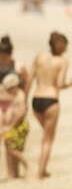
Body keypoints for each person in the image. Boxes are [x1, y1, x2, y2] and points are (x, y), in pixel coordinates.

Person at [0, 35, 29, 182]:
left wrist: (23, 103)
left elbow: (26, 84)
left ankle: (10, 172)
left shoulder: (19, 66)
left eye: (5, 57)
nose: (2, 59)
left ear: (10, 54)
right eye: (0, 56)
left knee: (9, 136)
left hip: (11, 103)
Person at [27, 31, 69, 179]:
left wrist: (24, 101)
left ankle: (41, 169)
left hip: (36, 99)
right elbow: (59, 84)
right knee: (47, 139)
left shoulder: (39, 57)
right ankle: (41, 172)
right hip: (51, 101)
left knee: (45, 135)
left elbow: (29, 79)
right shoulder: (62, 62)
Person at [0, 74, 29, 178]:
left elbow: (21, 112)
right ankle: (15, 173)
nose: (8, 91)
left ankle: (27, 165)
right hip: (13, 126)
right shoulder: (15, 95)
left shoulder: (20, 95)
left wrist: (11, 126)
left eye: (9, 88)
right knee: (9, 145)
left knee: (12, 149)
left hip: (18, 126)